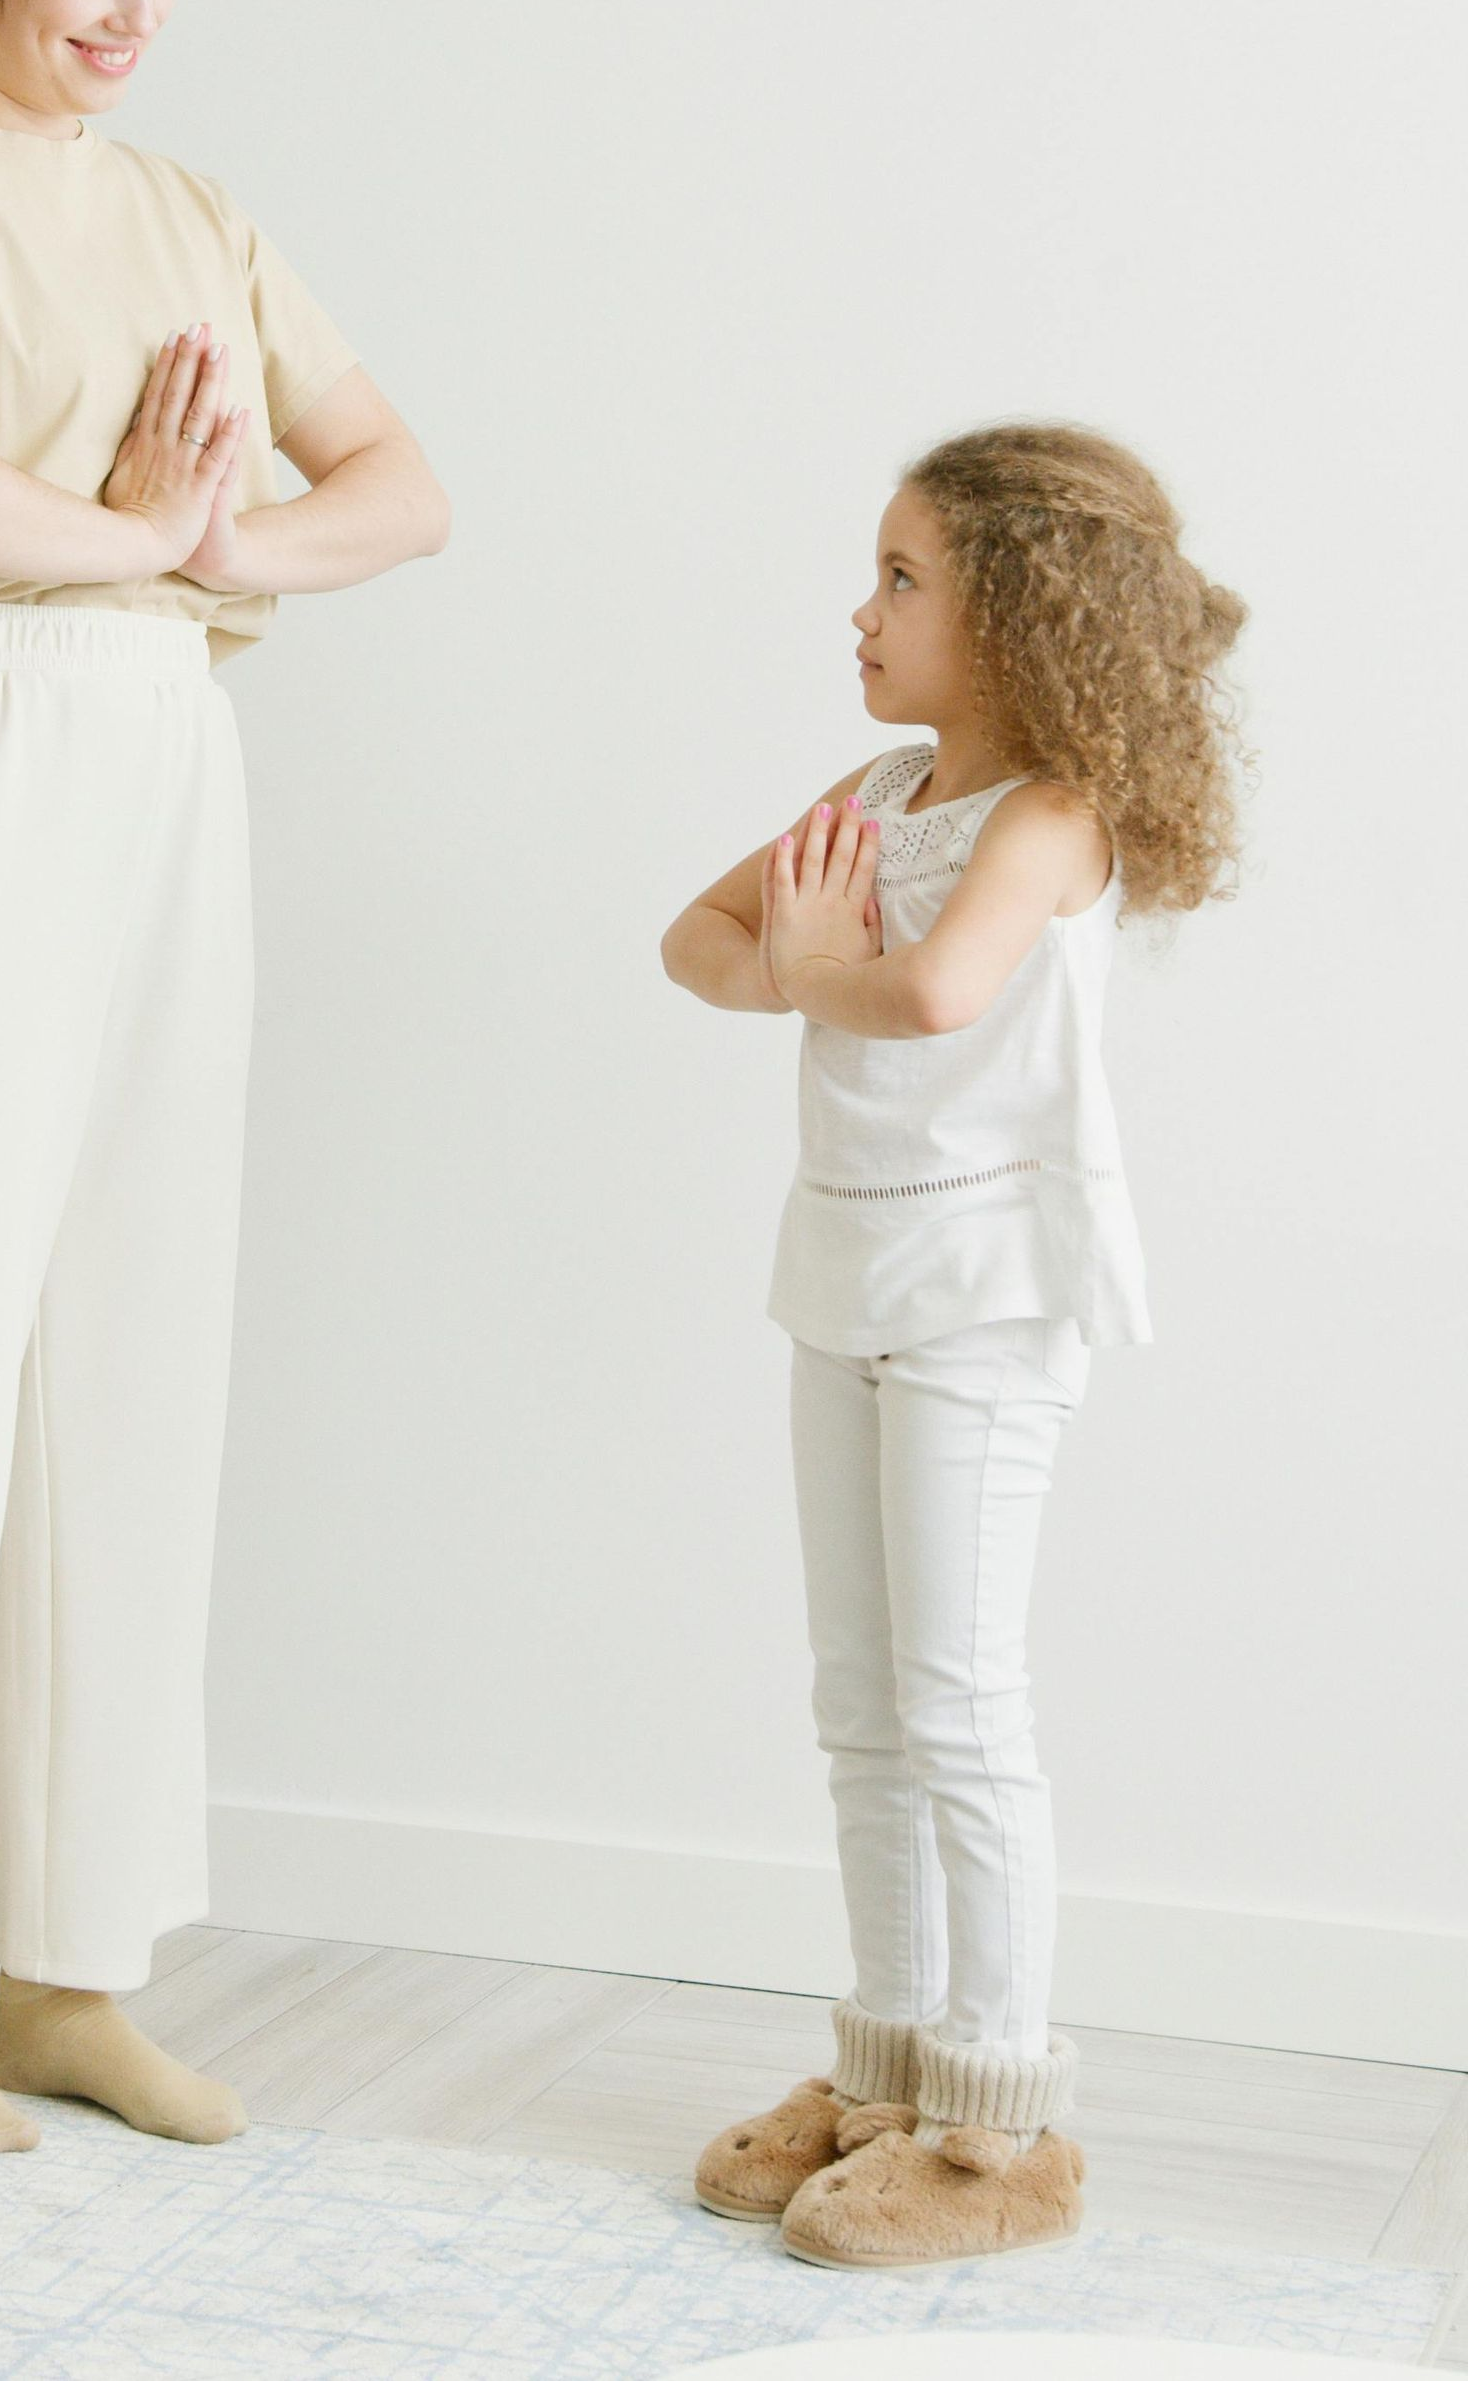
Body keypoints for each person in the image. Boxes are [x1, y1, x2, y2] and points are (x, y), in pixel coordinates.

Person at [0, 0, 449, 2161]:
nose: (130, 9)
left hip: (162, 753)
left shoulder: (193, 210)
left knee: (128, 1373)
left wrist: (205, 551)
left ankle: (73, 1973)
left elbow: (403, 491)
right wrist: (132, 534)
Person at [660, 421, 1248, 2268]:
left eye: (901, 579)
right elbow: (693, 939)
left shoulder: (1048, 816)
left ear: (1013, 613)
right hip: (844, 1279)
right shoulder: (877, 790)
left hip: (984, 1295)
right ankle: (889, 2072)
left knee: (962, 1704)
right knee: (860, 1703)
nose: (862, 608)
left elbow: (929, 991)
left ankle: (1001, 2127)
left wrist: (804, 967)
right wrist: (791, 957)